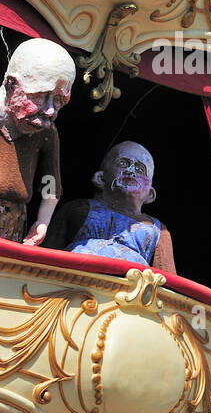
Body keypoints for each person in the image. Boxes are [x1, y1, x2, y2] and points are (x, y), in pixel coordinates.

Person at [47, 141, 174, 272]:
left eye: (140, 169)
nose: (131, 171)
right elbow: (45, 255)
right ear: (101, 178)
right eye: (123, 163)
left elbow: (169, 282)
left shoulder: (157, 230)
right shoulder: (78, 209)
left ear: (150, 194)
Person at [0, 37, 73, 245]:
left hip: (11, 225)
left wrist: (42, 221)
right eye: (40, 96)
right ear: (12, 85)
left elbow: (51, 184)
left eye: (58, 100)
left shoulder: (46, 133)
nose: (50, 110)